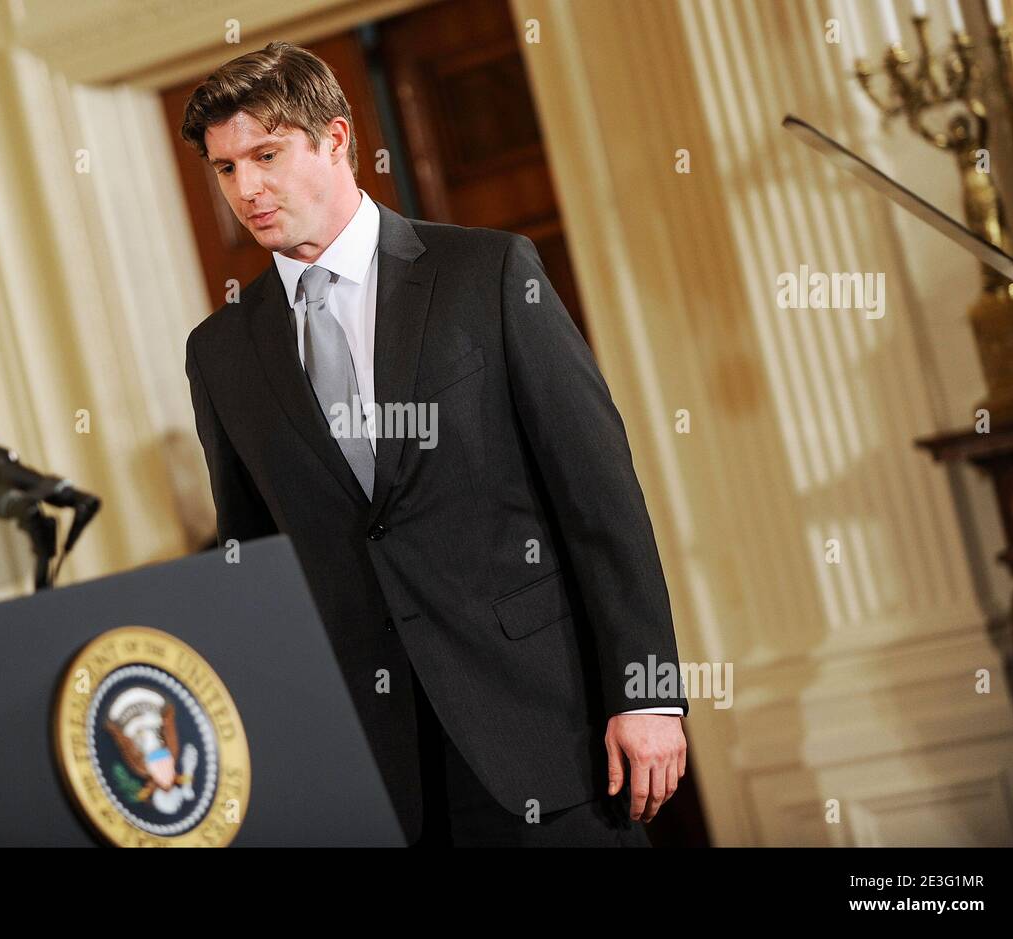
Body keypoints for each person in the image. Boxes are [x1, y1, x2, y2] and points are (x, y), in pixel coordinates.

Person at [180, 42, 687, 846]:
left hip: (546, 736)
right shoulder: (219, 352)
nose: (247, 188)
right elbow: (257, 565)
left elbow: (600, 498)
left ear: (338, 139)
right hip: (376, 776)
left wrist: (647, 692)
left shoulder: (487, 273)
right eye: (225, 169)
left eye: (266, 155)